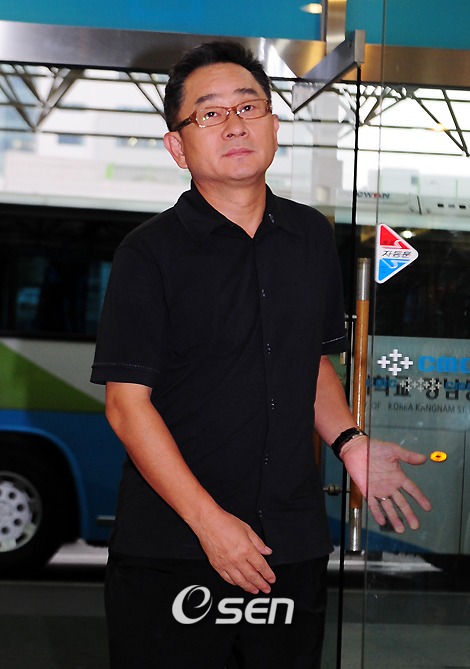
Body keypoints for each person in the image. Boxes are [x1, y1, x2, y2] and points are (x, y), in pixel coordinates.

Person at [91, 40, 431, 669]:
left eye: (248, 107)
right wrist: (210, 524)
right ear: (177, 146)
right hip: (174, 548)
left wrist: (350, 442)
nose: (234, 124)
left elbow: (312, 365)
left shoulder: (309, 236)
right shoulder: (149, 254)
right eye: (209, 113)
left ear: (274, 126)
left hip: (290, 545)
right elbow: (126, 405)